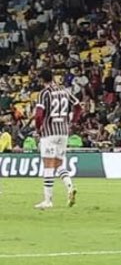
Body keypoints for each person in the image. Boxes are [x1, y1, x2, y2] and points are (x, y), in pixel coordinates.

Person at [32, 68, 78, 209]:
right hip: (63, 132)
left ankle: (48, 200)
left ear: (41, 79)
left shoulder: (44, 93)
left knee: (48, 166)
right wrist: (73, 122)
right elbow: (78, 106)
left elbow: (39, 115)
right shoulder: (64, 90)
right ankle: (70, 187)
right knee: (58, 164)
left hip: (49, 132)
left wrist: (38, 128)